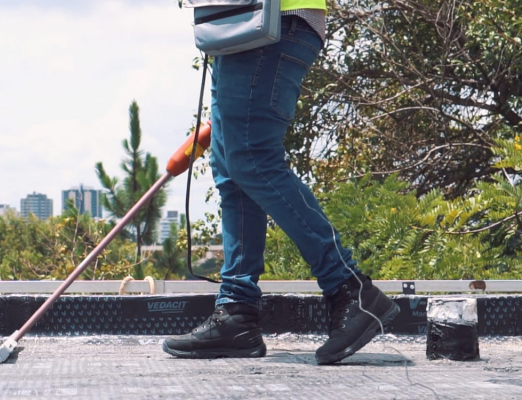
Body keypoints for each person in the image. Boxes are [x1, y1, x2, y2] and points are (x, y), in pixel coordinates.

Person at [163, 0, 400, 365]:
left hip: (272, 21)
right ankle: (236, 314)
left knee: (253, 161)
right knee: (231, 171)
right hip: (237, 25)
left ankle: (350, 288)